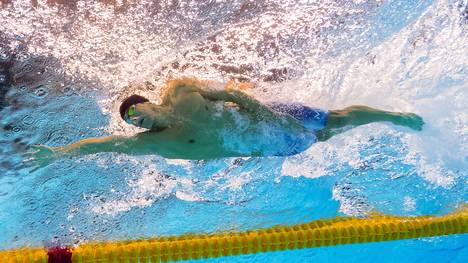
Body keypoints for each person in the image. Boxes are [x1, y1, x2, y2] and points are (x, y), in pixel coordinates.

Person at [27, 78, 423, 168]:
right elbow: (102, 145)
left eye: (134, 112)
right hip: (270, 145)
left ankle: (395, 116)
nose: (136, 122)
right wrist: (59, 153)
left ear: (144, 102)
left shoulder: (181, 90)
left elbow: (231, 93)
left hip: (267, 115)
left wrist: (267, 114)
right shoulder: (161, 144)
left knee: (334, 119)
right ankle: (383, 125)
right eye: (131, 122)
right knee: (327, 137)